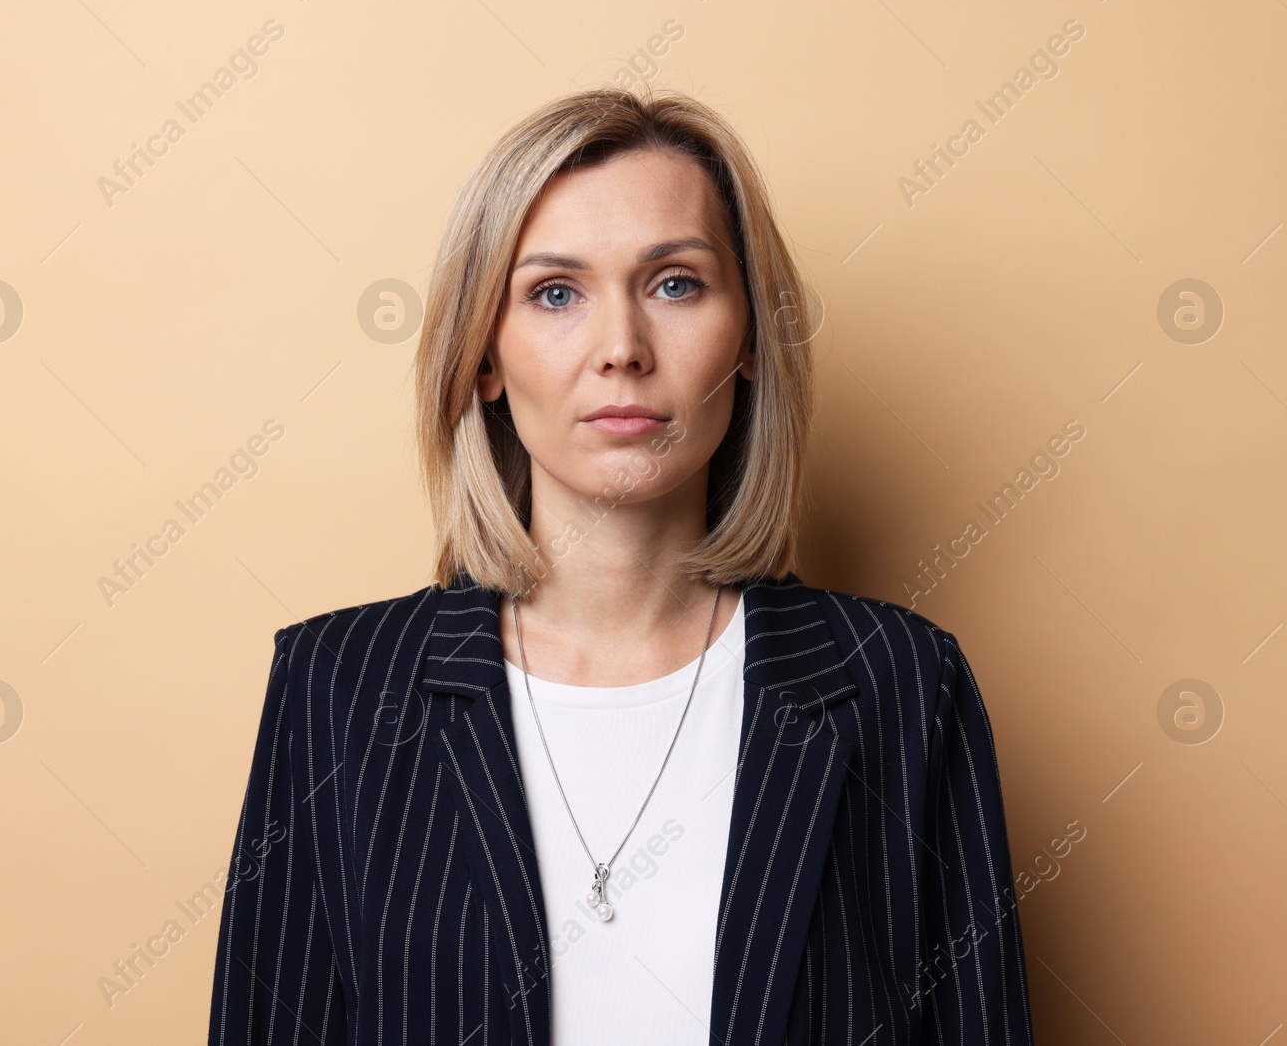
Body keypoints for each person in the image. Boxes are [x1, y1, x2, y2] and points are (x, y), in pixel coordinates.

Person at [208, 86, 1034, 1046]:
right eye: (555, 292)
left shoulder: (901, 684)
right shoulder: (335, 691)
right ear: (483, 354)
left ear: (754, 340)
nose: (621, 350)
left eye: (675, 283)